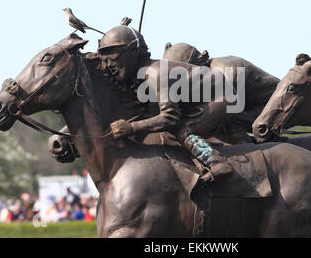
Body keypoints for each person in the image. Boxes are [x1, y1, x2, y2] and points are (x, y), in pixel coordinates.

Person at [97, 18, 234, 183]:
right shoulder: (139, 75)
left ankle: (217, 163)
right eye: (104, 59)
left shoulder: (155, 73)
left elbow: (169, 117)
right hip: (197, 101)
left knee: (179, 128)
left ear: (132, 51)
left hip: (224, 97)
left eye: (113, 57)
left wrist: (132, 127)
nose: (108, 64)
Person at [163, 42, 280, 143]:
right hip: (247, 107)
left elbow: (229, 108)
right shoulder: (209, 74)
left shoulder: (226, 69)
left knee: (228, 121)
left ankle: (249, 151)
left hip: (272, 107)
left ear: (200, 62)